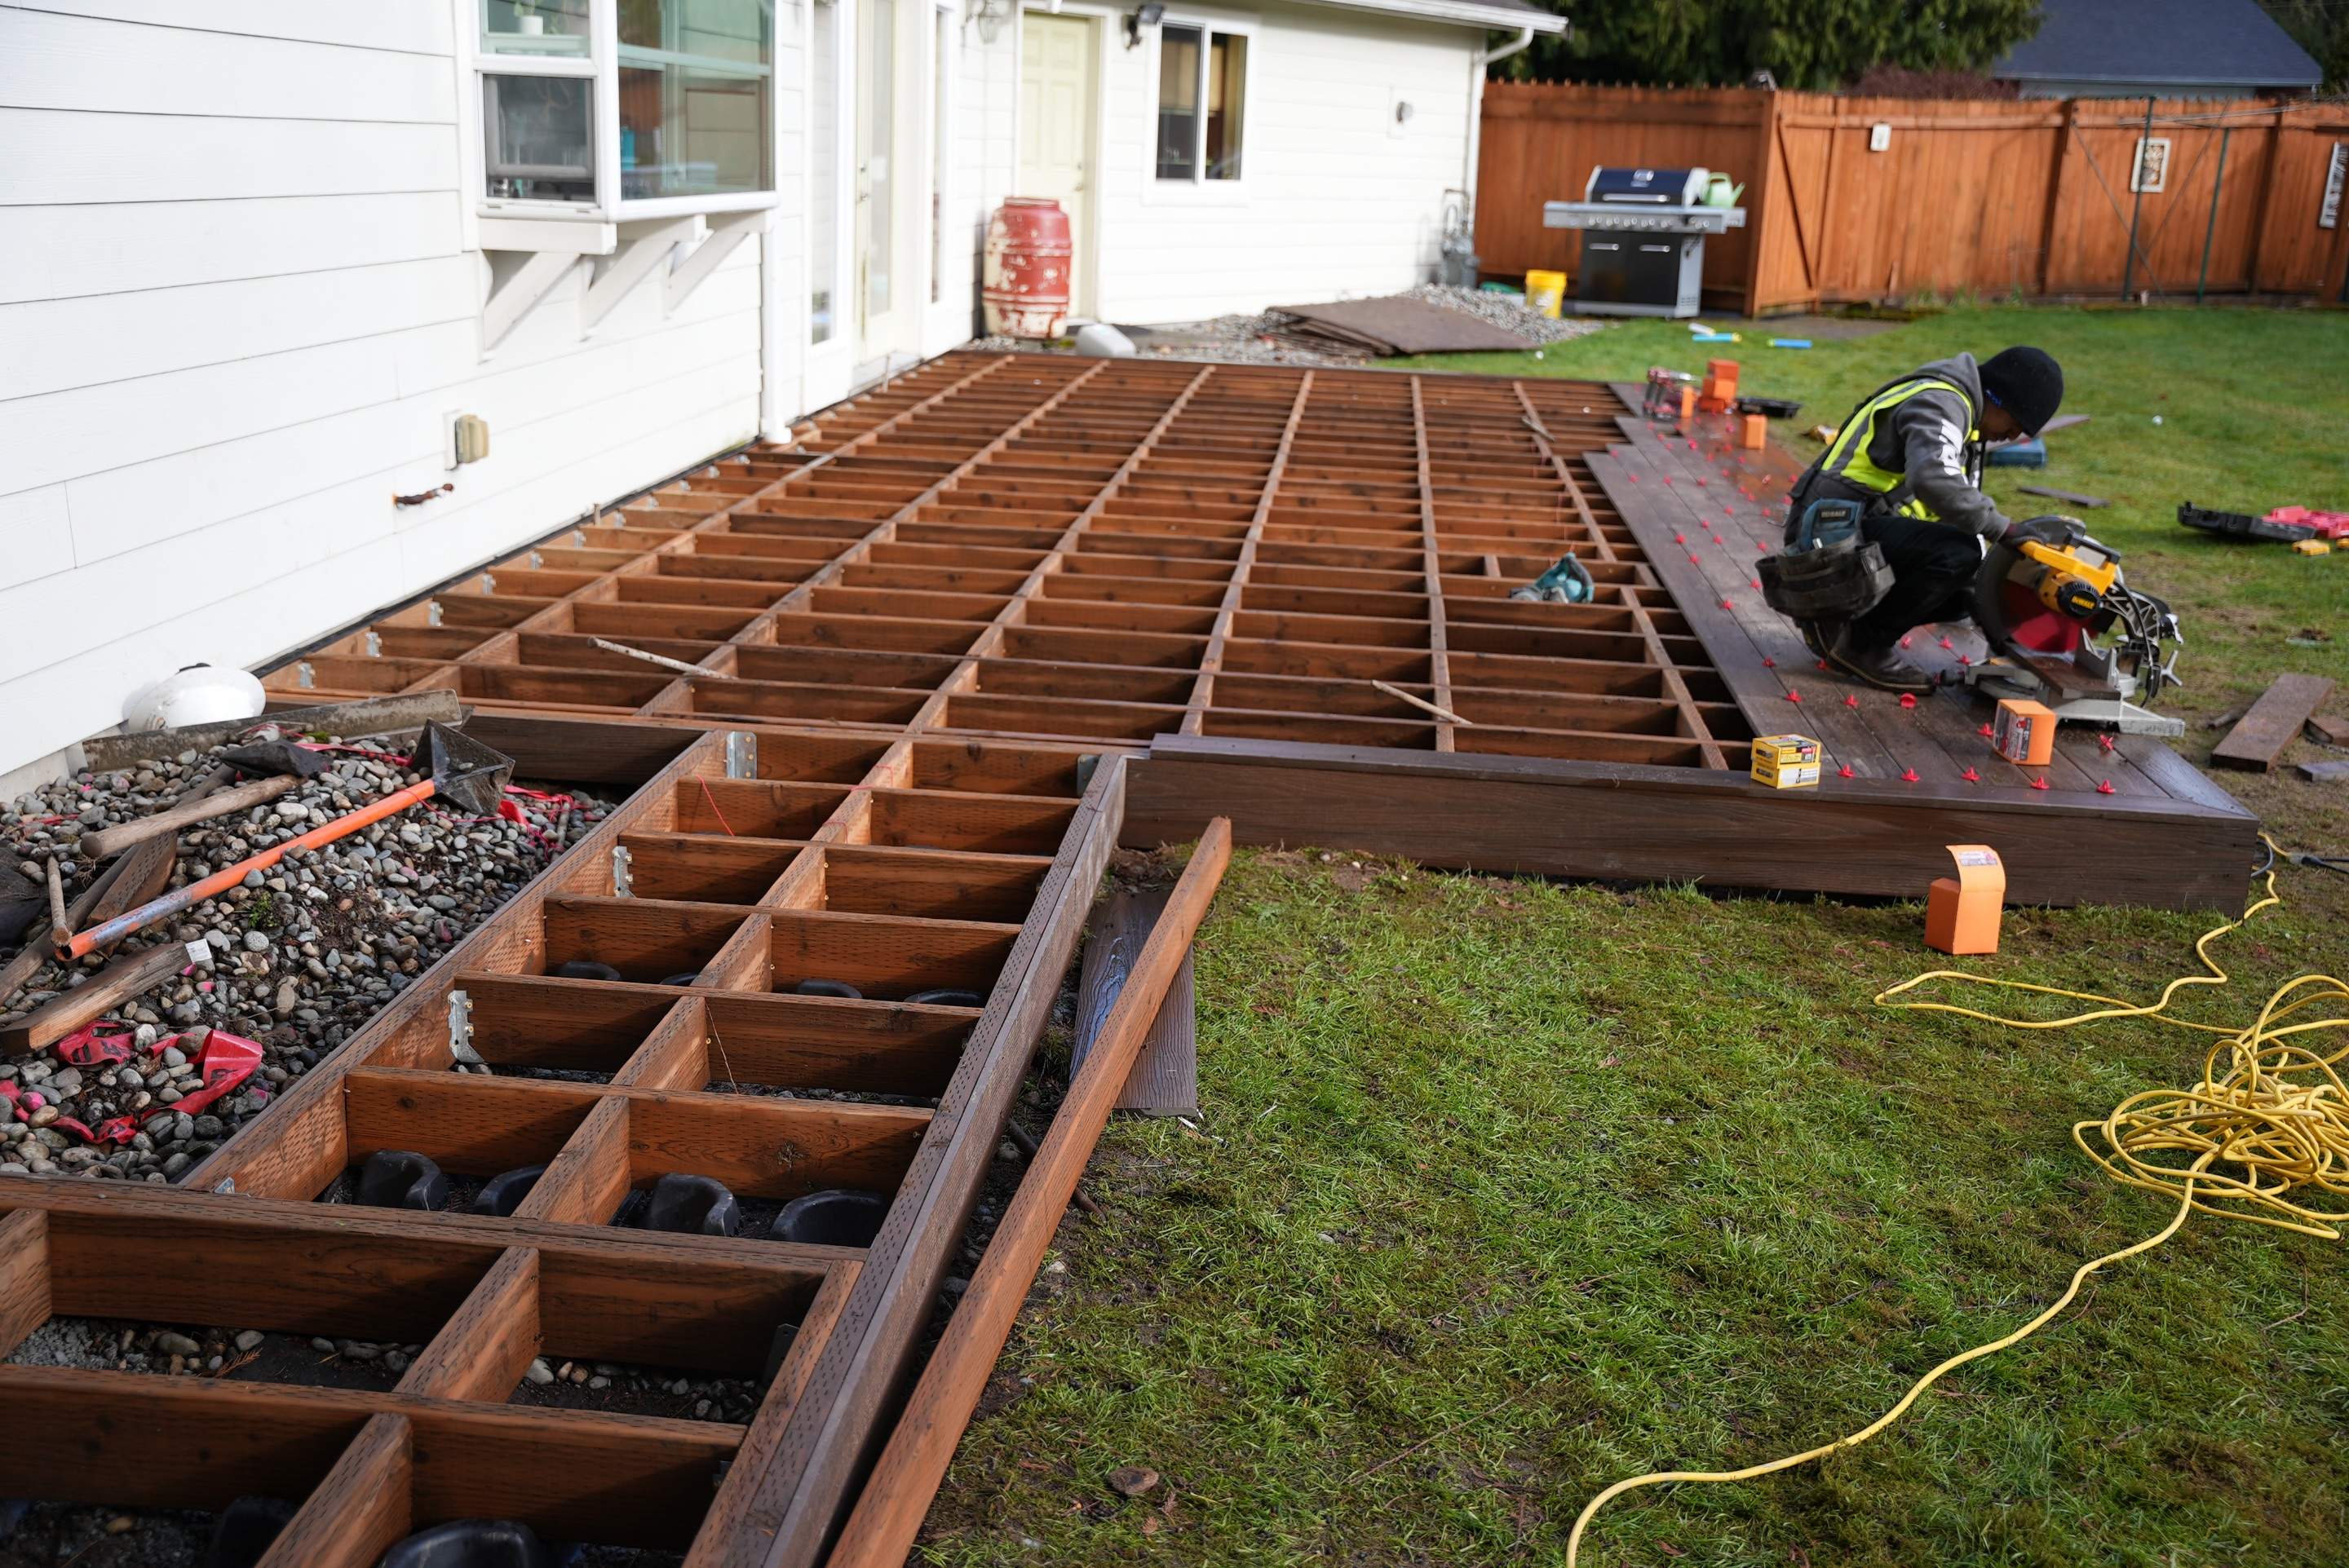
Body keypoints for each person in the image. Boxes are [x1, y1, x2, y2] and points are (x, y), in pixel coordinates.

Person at [1785, 347, 2070, 692]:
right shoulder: (1941, 403)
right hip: (1824, 542)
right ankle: (1862, 646)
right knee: (1957, 554)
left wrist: (1996, 619)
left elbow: (1949, 509)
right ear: (2000, 399)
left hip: (1845, 532)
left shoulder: (1962, 415)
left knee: (1965, 589)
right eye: (2016, 424)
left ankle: (1839, 623)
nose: (2013, 437)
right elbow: (1934, 479)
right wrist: (2005, 530)